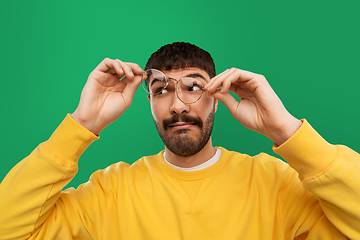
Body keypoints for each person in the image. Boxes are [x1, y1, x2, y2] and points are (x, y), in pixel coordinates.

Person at [0, 42, 359, 240]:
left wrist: (285, 130)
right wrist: (83, 123)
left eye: (194, 87)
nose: (177, 105)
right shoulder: (110, 191)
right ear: (150, 103)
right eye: (160, 90)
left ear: (217, 95)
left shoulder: (273, 183)